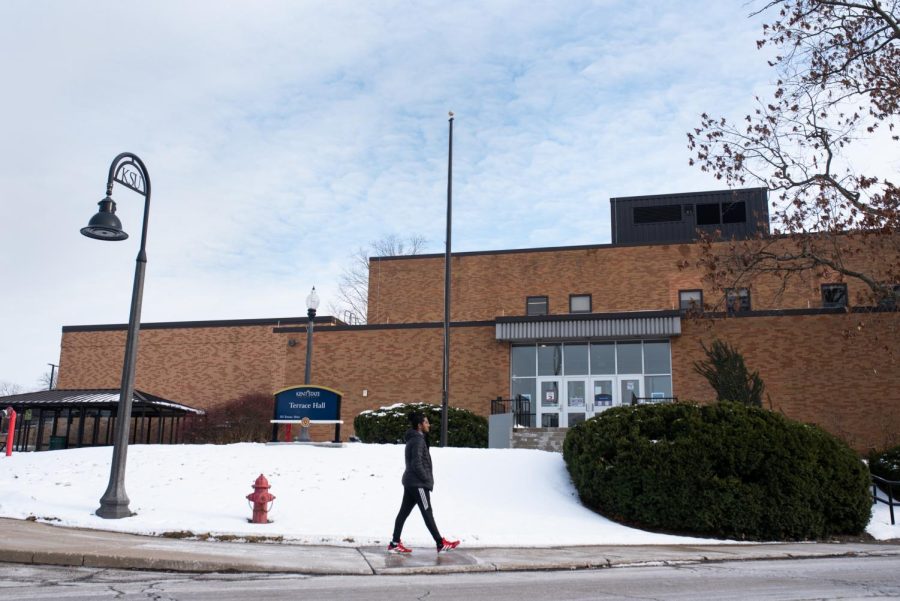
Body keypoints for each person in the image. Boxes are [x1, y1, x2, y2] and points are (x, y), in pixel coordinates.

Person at [388, 412, 460, 554]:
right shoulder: (418, 440)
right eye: (426, 422)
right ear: (420, 426)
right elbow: (416, 463)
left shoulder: (415, 439)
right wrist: (426, 478)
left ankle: (394, 543)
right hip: (418, 484)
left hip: (411, 482)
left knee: (403, 513)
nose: (429, 425)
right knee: (427, 512)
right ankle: (440, 543)